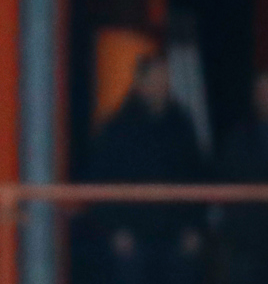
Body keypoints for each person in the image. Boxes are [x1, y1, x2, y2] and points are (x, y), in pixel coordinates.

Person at [81, 54, 207, 284]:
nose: (161, 87)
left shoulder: (181, 126)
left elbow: (197, 177)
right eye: (155, 80)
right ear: (140, 82)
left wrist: (194, 226)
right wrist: (115, 230)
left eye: (164, 80)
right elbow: (100, 182)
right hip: (132, 236)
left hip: (175, 235)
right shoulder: (117, 128)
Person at [217, 69, 268, 284]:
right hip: (249, 236)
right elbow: (230, 184)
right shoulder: (238, 137)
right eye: (261, 90)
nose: (265, 96)